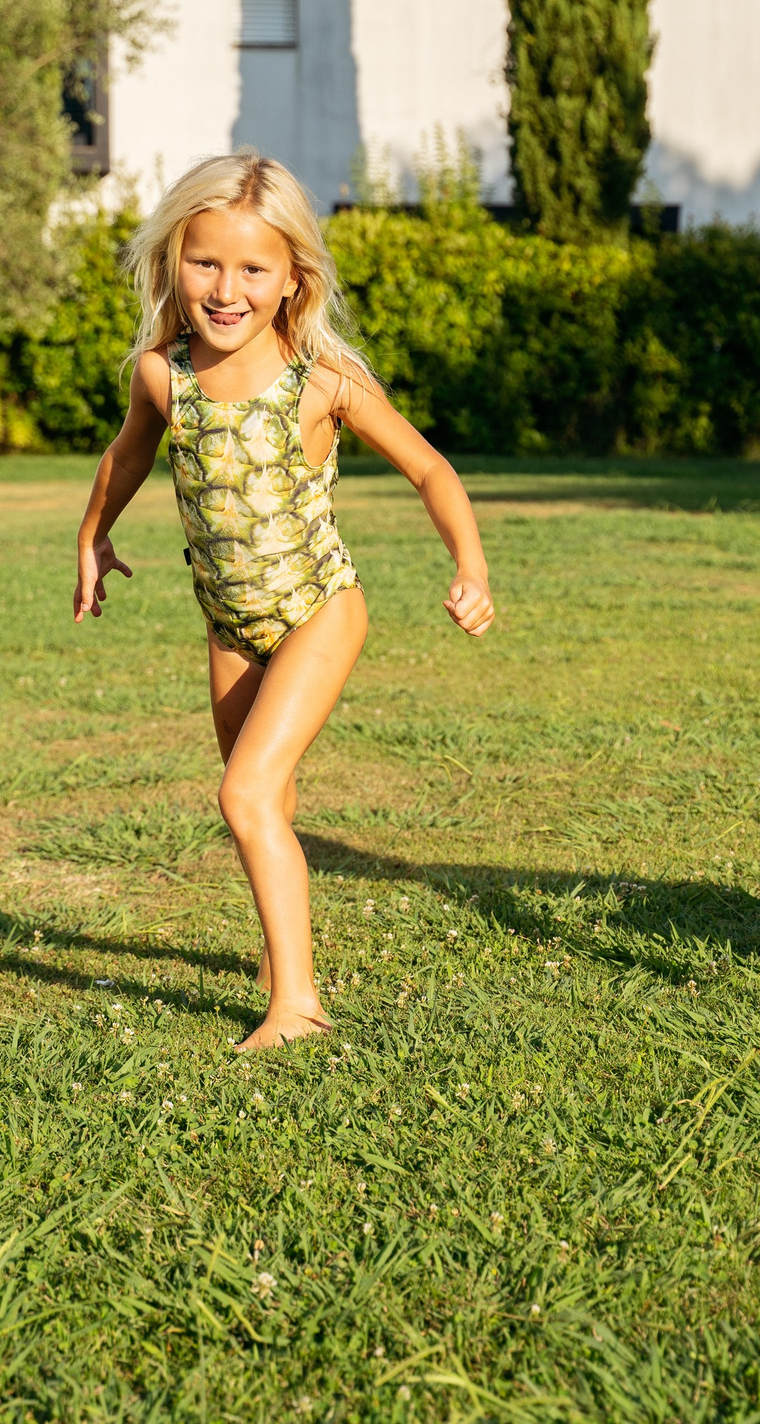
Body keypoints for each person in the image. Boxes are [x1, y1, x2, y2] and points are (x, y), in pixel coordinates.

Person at [70, 153, 495, 1051]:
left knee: (245, 792)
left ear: (291, 277)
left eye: (252, 269)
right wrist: (92, 536)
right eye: (205, 263)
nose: (226, 289)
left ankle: (296, 1004)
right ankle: (282, 952)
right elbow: (127, 457)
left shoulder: (320, 380)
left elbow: (430, 466)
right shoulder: (162, 375)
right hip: (231, 625)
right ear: (172, 262)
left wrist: (471, 565)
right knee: (271, 801)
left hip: (318, 610)